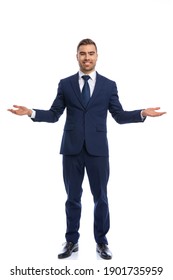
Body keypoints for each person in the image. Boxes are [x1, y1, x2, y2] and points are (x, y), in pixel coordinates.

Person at [8, 38, 166, 260]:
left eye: (91, 53)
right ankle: (71, 240)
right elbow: (54, 114)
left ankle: (102, 242)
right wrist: (31, 112)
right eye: (82, 53)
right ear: (77, 56)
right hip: (71, 149)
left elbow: (119, 116)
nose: (87, 57)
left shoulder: (109, 85)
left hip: (98, 150)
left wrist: (141, 113)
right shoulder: (65, 84)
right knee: (72, 197)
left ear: (97, 56)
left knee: (101, 197)